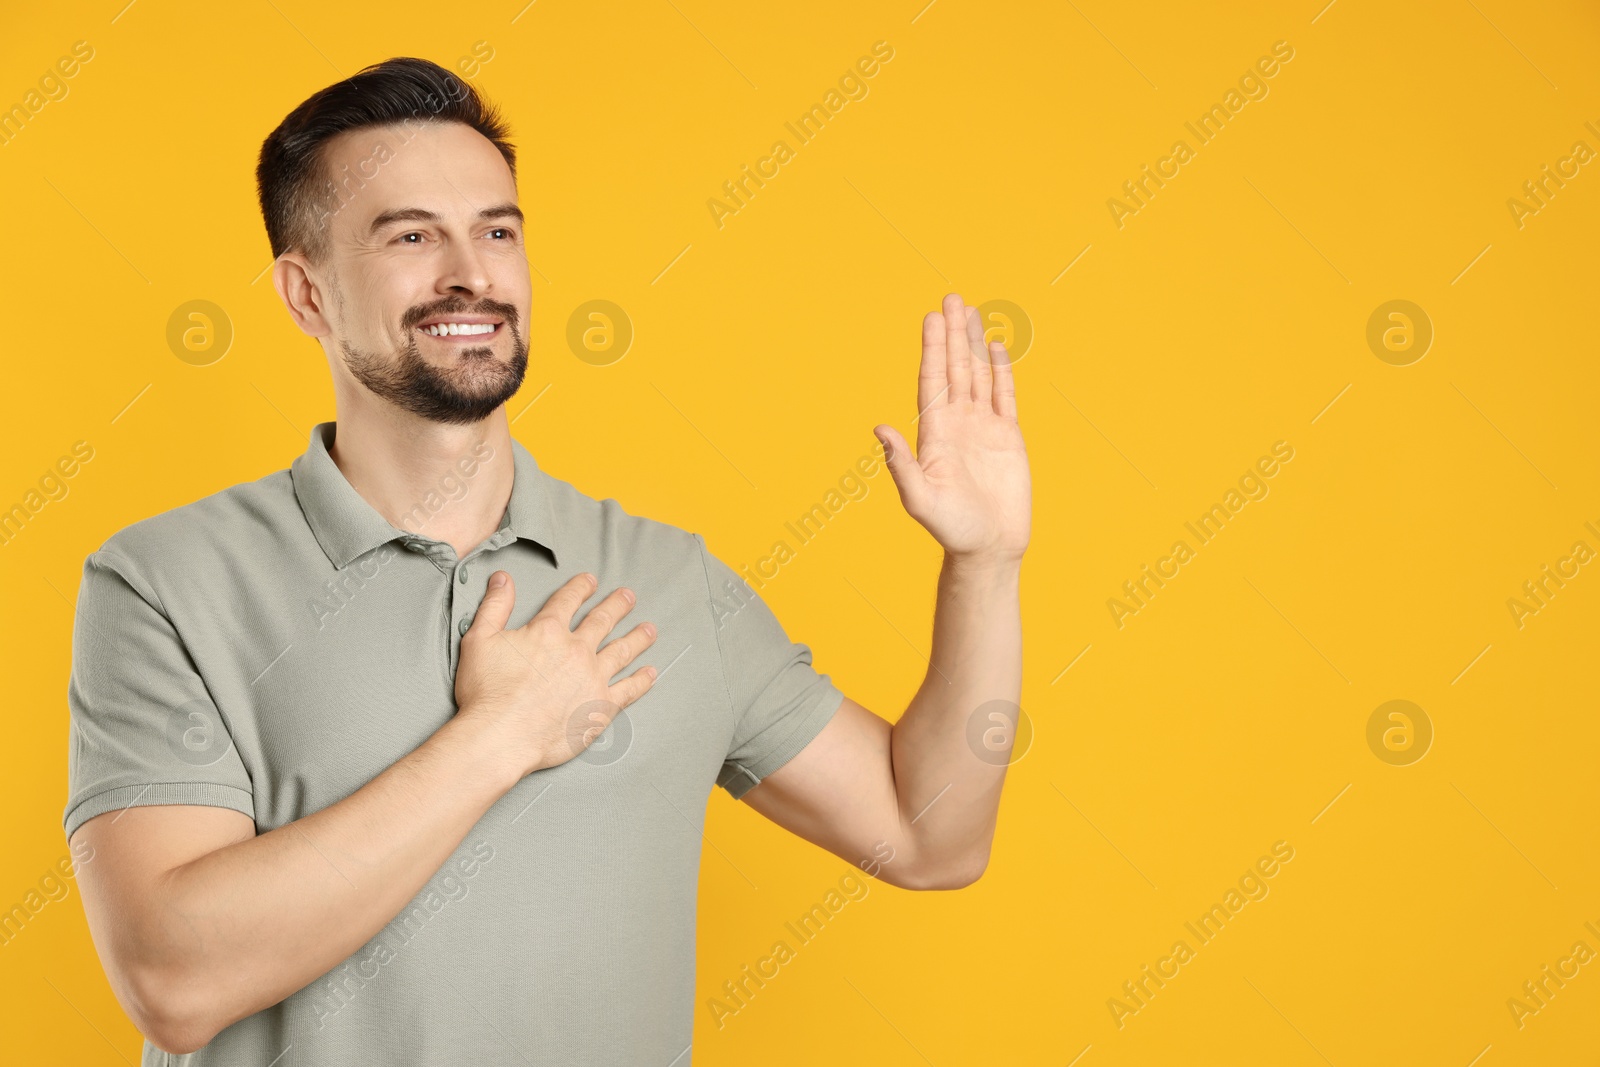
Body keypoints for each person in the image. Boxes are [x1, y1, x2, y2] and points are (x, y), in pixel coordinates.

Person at [63, 56, 1030, 1065]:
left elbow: (930, 838)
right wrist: (503, 733)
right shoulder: (165, 580)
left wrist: (986, 565)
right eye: (410, 236)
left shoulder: (665, 579)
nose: (470, 274)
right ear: (306, 294)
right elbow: (173, 980)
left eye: (497, 230)